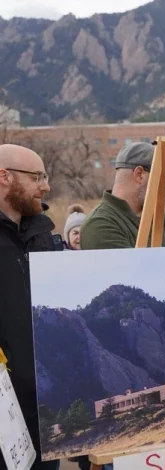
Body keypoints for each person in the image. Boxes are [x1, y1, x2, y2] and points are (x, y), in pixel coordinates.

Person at [0, 144, 60, 470]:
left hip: (46, 407)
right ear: (4, 177)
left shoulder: (43, 234)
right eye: (37, 177)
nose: (46, 186)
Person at [80, 142, 165, 249]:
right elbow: (131, 262)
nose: (164, 189)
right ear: (139, 174)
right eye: (160, 180)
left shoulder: (162, 220)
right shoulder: (100, 224)